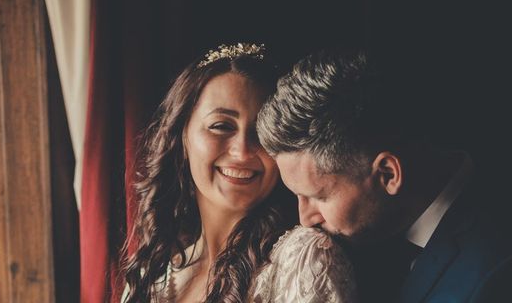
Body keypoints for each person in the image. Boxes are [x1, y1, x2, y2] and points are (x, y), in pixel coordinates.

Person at [256, 48, 512, 302]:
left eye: (318, 196)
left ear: (388, 174)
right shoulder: (350, 243)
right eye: (297, 196)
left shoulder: (494, 274)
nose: (305, 219)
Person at [120, 43, 357, 302]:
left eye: (260, 133)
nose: (243, 152)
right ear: (182, 137)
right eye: (221, 126)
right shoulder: (153, 276)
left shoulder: (304, 259)